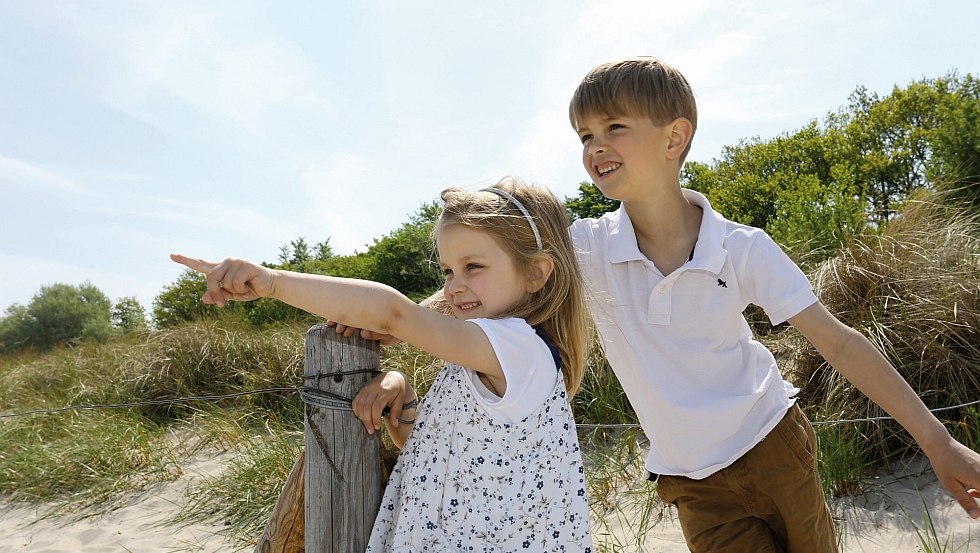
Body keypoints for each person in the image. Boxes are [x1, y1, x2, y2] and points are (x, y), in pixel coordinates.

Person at [565, 57, 980, 552]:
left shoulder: (742, 247)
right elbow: (508, 266)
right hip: (693, 483)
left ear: (674, 138)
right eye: (585, 135)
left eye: (614, 126)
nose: (596, 146)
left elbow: (840, 344)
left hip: (774, 446)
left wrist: (938, 442)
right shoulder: (584, 249)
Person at [171, 178, 594, 552]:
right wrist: (405, 398)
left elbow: (394, 313)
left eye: (474, 266)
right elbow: (437, 459)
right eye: (447, 270)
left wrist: (274, 282)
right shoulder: (479, 362)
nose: (453, 286)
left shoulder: (521, 350)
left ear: (536, 273)